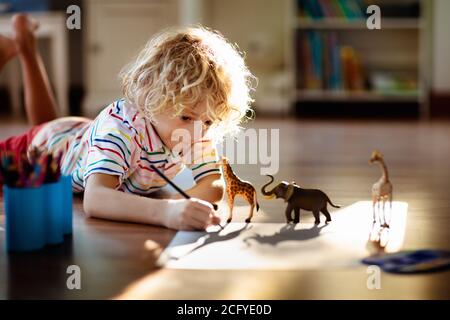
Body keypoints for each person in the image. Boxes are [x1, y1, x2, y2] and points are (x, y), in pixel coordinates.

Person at [0, 14, 256, 231]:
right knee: (44, 131)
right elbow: (96, 199)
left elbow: (213, 185)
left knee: (49, 123)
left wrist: (184, 205)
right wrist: (165, 212)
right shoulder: (122, 132)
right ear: (150, 100)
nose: (196, 131)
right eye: (186, 117)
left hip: (77, 136)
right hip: (47, 147)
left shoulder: (196, 128)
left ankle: (26, 44)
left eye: (209, 121)